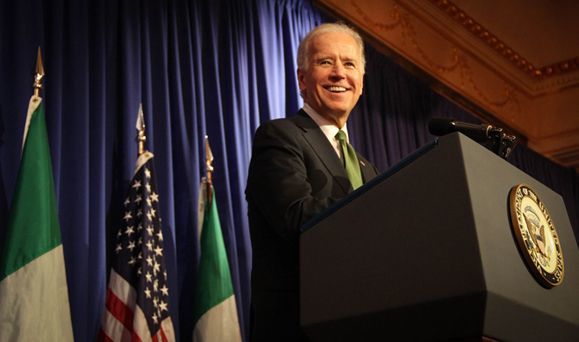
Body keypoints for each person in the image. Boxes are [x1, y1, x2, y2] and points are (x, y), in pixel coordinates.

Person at [245, 22, 379, 341]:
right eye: (325, 62)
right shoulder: (280, 136)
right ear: (302, 79)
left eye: (349, 64)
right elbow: (295, 218)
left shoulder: (366, 167)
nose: (338, 73)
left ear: (361, 82)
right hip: (298, 326)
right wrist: (383, 207)